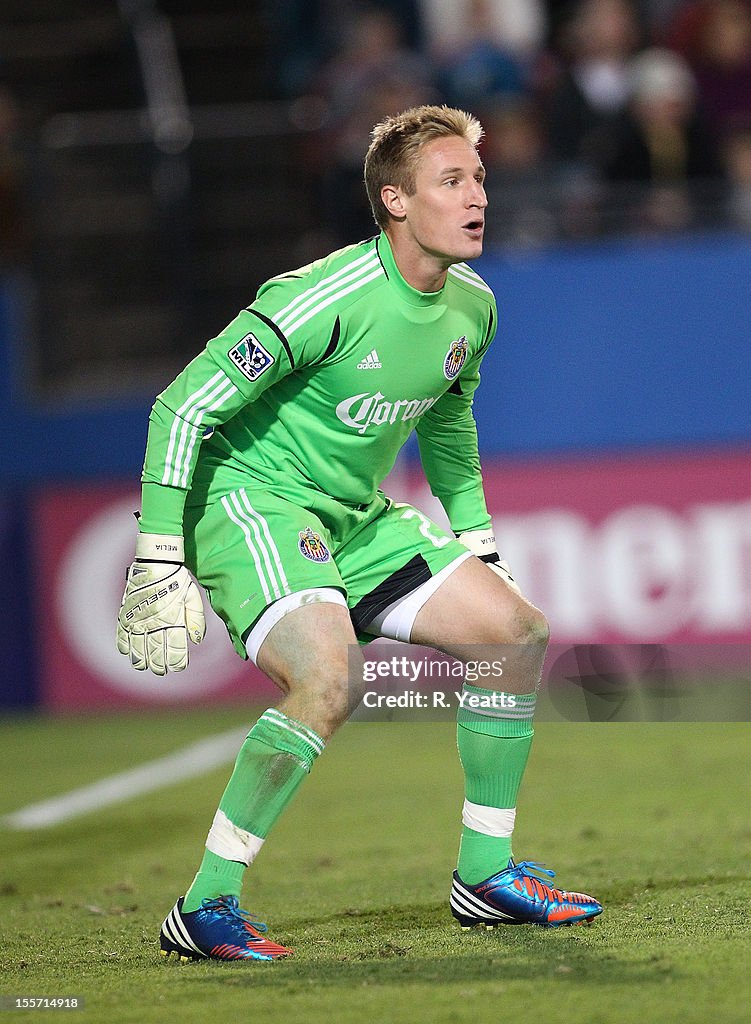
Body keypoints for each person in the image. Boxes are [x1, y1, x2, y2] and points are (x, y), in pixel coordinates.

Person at [116, 104, 603, 963]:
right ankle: (205, 904)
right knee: (329, 679)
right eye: (451, 181)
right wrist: (158, 551)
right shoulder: (321, 297)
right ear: (396, 200)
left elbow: (449, 426)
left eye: (479, 178)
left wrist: (480, 545)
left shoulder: (473, 308)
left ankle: (486, 876)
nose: (476, 196)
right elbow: (183, 406)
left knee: (516, 634)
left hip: (352, 514)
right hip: (250, 499)